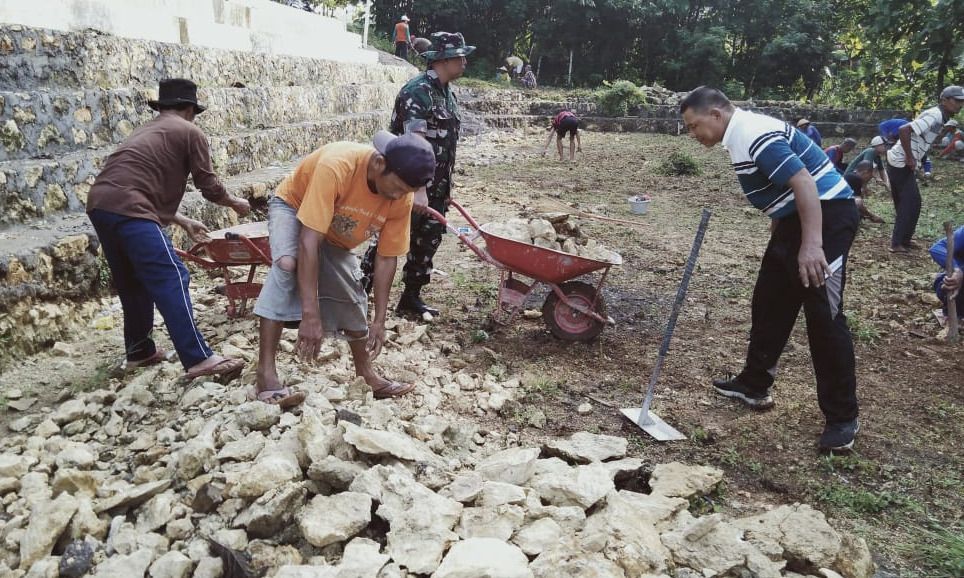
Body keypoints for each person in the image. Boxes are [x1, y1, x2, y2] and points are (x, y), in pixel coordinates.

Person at [680, 86, 861, 452]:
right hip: (795, 221)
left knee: (824, 317)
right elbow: (784, 194)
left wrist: (812, 245)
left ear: (716, 114)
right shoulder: (738, 136)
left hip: (827, 217)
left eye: (694, 125)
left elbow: (804, 182)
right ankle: (754, 384)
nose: (692, 134)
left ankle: (843, 418)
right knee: (769, 301)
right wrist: (781, 239)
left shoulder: (753, 133)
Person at [252, 131, 436, 404]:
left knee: (351, 287)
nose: (398, 196)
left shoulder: (401, 197)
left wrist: (380, 321)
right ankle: (265, 372)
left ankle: (366, 374)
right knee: (288, 265)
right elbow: (309, 240)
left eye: (405, 192)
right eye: (396, 187)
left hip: (335, 230)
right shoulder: (337, 166)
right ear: (378, 164)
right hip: (294, 206)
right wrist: (310, 315)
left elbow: (386, 258)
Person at [86, 78, 251, 381]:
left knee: (133, 283)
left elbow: (133, 182)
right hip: (131, 208)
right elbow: (209, 187)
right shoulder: (190, 132)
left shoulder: (146, 130)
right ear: (190, 109)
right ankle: (198, 358)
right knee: (173, 275)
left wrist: (183, 220)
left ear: (162, 107)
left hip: (101, 205)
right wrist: (235, 203)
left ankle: (139, 351)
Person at [360, 31, 475, 318]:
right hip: (408, 186)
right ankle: (357, 293)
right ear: (444, 59)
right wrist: (418, 190)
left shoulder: (447, 94)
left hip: (438, 187)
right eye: (460, 56)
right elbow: (417, 146)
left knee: (428, 241)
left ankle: (410, 297)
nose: (464, 62)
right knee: (390, 240)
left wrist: (445, 188)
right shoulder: (417, 91)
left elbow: (445, 146)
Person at [886, 85, 964, 253]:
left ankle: (904, 239)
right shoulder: (935, 115)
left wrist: (918, 160)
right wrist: (909, 157)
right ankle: (896, 243)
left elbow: (920, 139)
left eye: (961, 101)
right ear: (944, 100)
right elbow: (904, 129)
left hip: (903, 162)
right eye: (956, 100)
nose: (960, 104)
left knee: (911, 202)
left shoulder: (941, 117)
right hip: (900, 162)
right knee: (909, 202)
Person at [929, 225, 964, 324]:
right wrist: (956, 269)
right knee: (952, 281)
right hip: (954, 284)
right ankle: (953, 313)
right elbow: (937, 248)